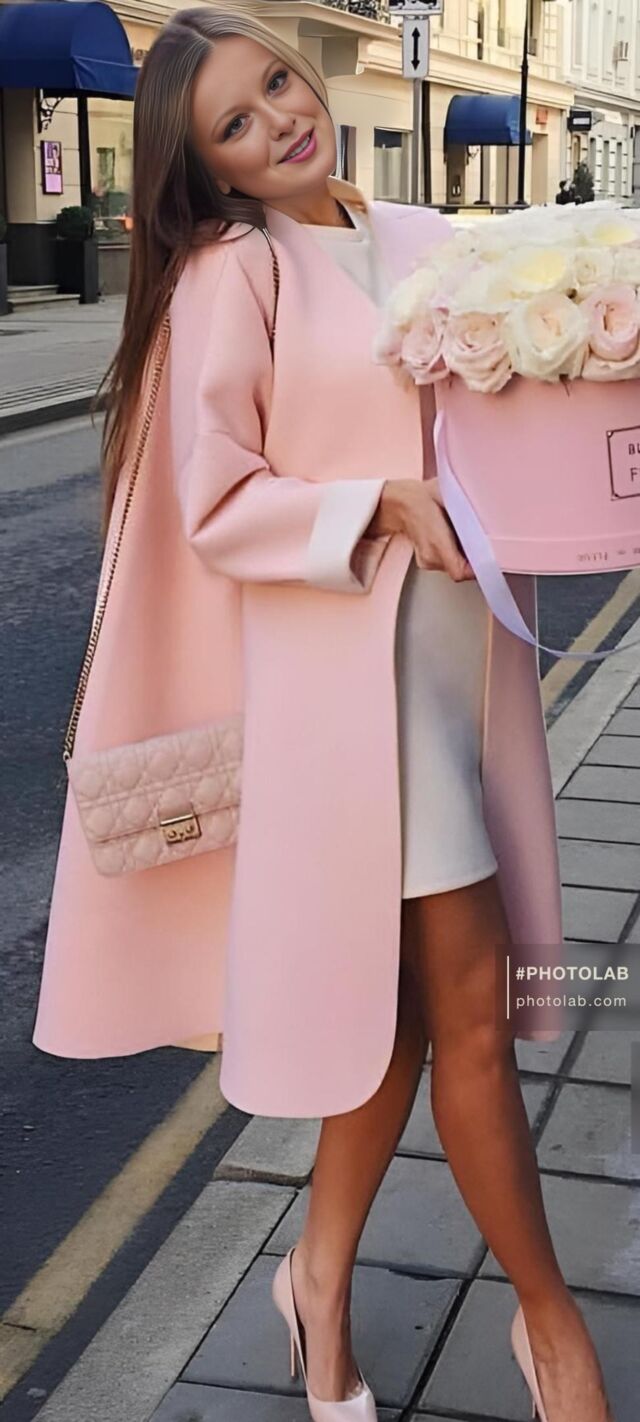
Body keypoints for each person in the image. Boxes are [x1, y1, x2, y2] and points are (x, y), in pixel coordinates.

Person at [32, 9, 615, 1422]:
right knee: (468, 1013)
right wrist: (375, 505)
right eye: (236, 123)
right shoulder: (236, 273)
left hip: (463, 669)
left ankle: (320, 1281)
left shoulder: (425, 236)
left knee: (390, 1021)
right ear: (210, 168)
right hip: (352, 699)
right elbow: (215, 496)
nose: (283, 120)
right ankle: (554, 1329)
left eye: (279, 85)